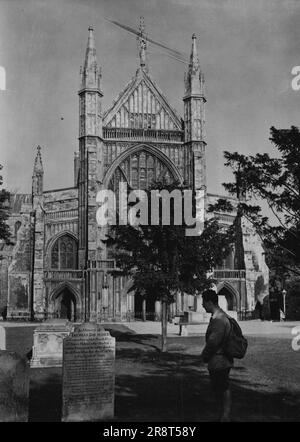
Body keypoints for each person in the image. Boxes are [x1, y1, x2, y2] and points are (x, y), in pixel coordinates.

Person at [200, 289, 233, 422]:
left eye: (203, 302)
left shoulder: (219, 319)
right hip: (219, 358)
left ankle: (225, 415)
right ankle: (223, 413)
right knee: (219, 385)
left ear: (209, 302)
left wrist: (204, 355)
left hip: (220, 358)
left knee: (222, 386)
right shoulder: (219, 316)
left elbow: (214, 342)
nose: (202, 305)